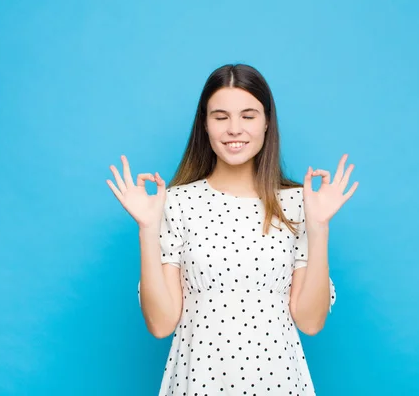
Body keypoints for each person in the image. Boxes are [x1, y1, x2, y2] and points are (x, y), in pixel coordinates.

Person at [106, 63, 358, 395]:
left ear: (267, 122)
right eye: (221, 117)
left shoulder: (301, 203)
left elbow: (310, 322)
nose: (234, 129)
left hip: (277, 382)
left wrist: (319, 226)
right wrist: (148, 228)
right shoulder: (176, 203)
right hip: (198, 382)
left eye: (249, 116)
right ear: (205, 125)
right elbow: (161, 324)